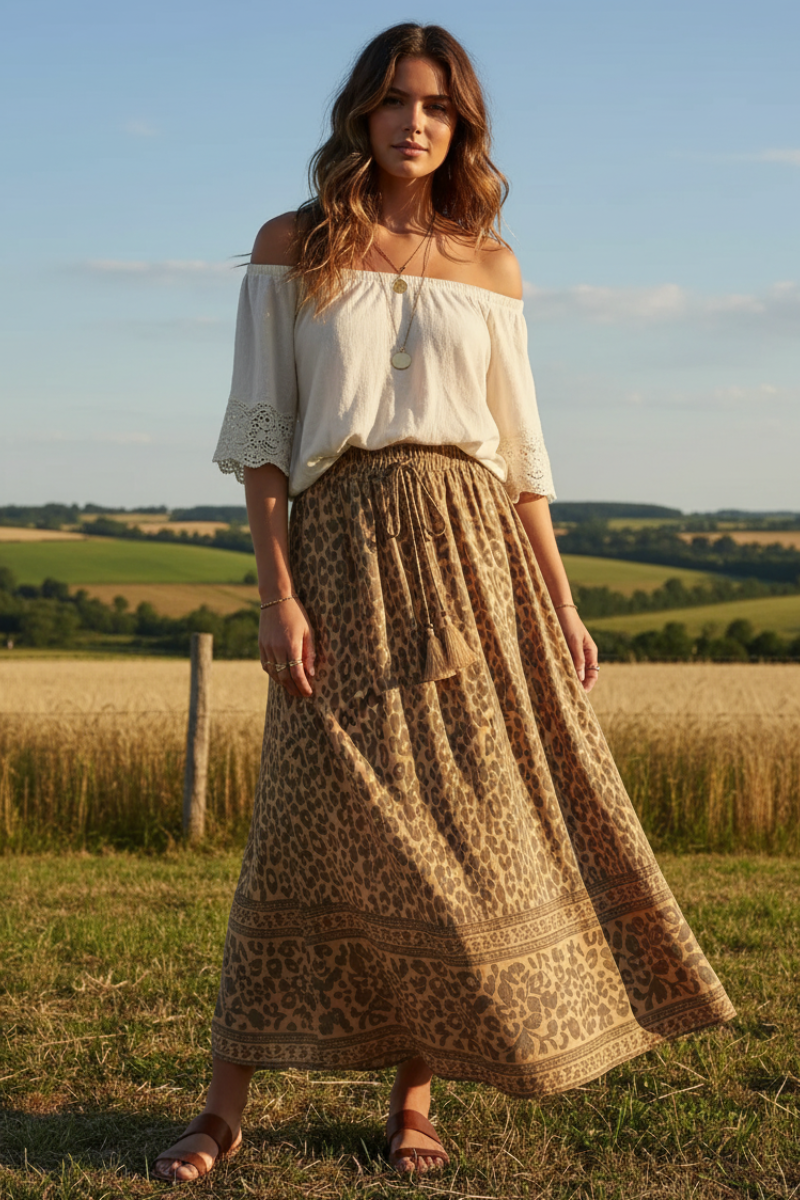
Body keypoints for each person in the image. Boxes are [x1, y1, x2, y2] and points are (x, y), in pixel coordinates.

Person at [152, 22, 736, 1185]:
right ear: (359, 116)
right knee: (304, 827)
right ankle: (223, 1107)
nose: (414, 123)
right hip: (342, 550)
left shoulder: (492, 264)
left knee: (457, 836)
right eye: (394, 102)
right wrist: (274, 595)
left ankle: (412, 1103)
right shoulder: (294, 247)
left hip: (477, 560)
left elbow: (520, 458)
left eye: (437, 107)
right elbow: (263, 442)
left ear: (460, 125)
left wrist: (560, 605)